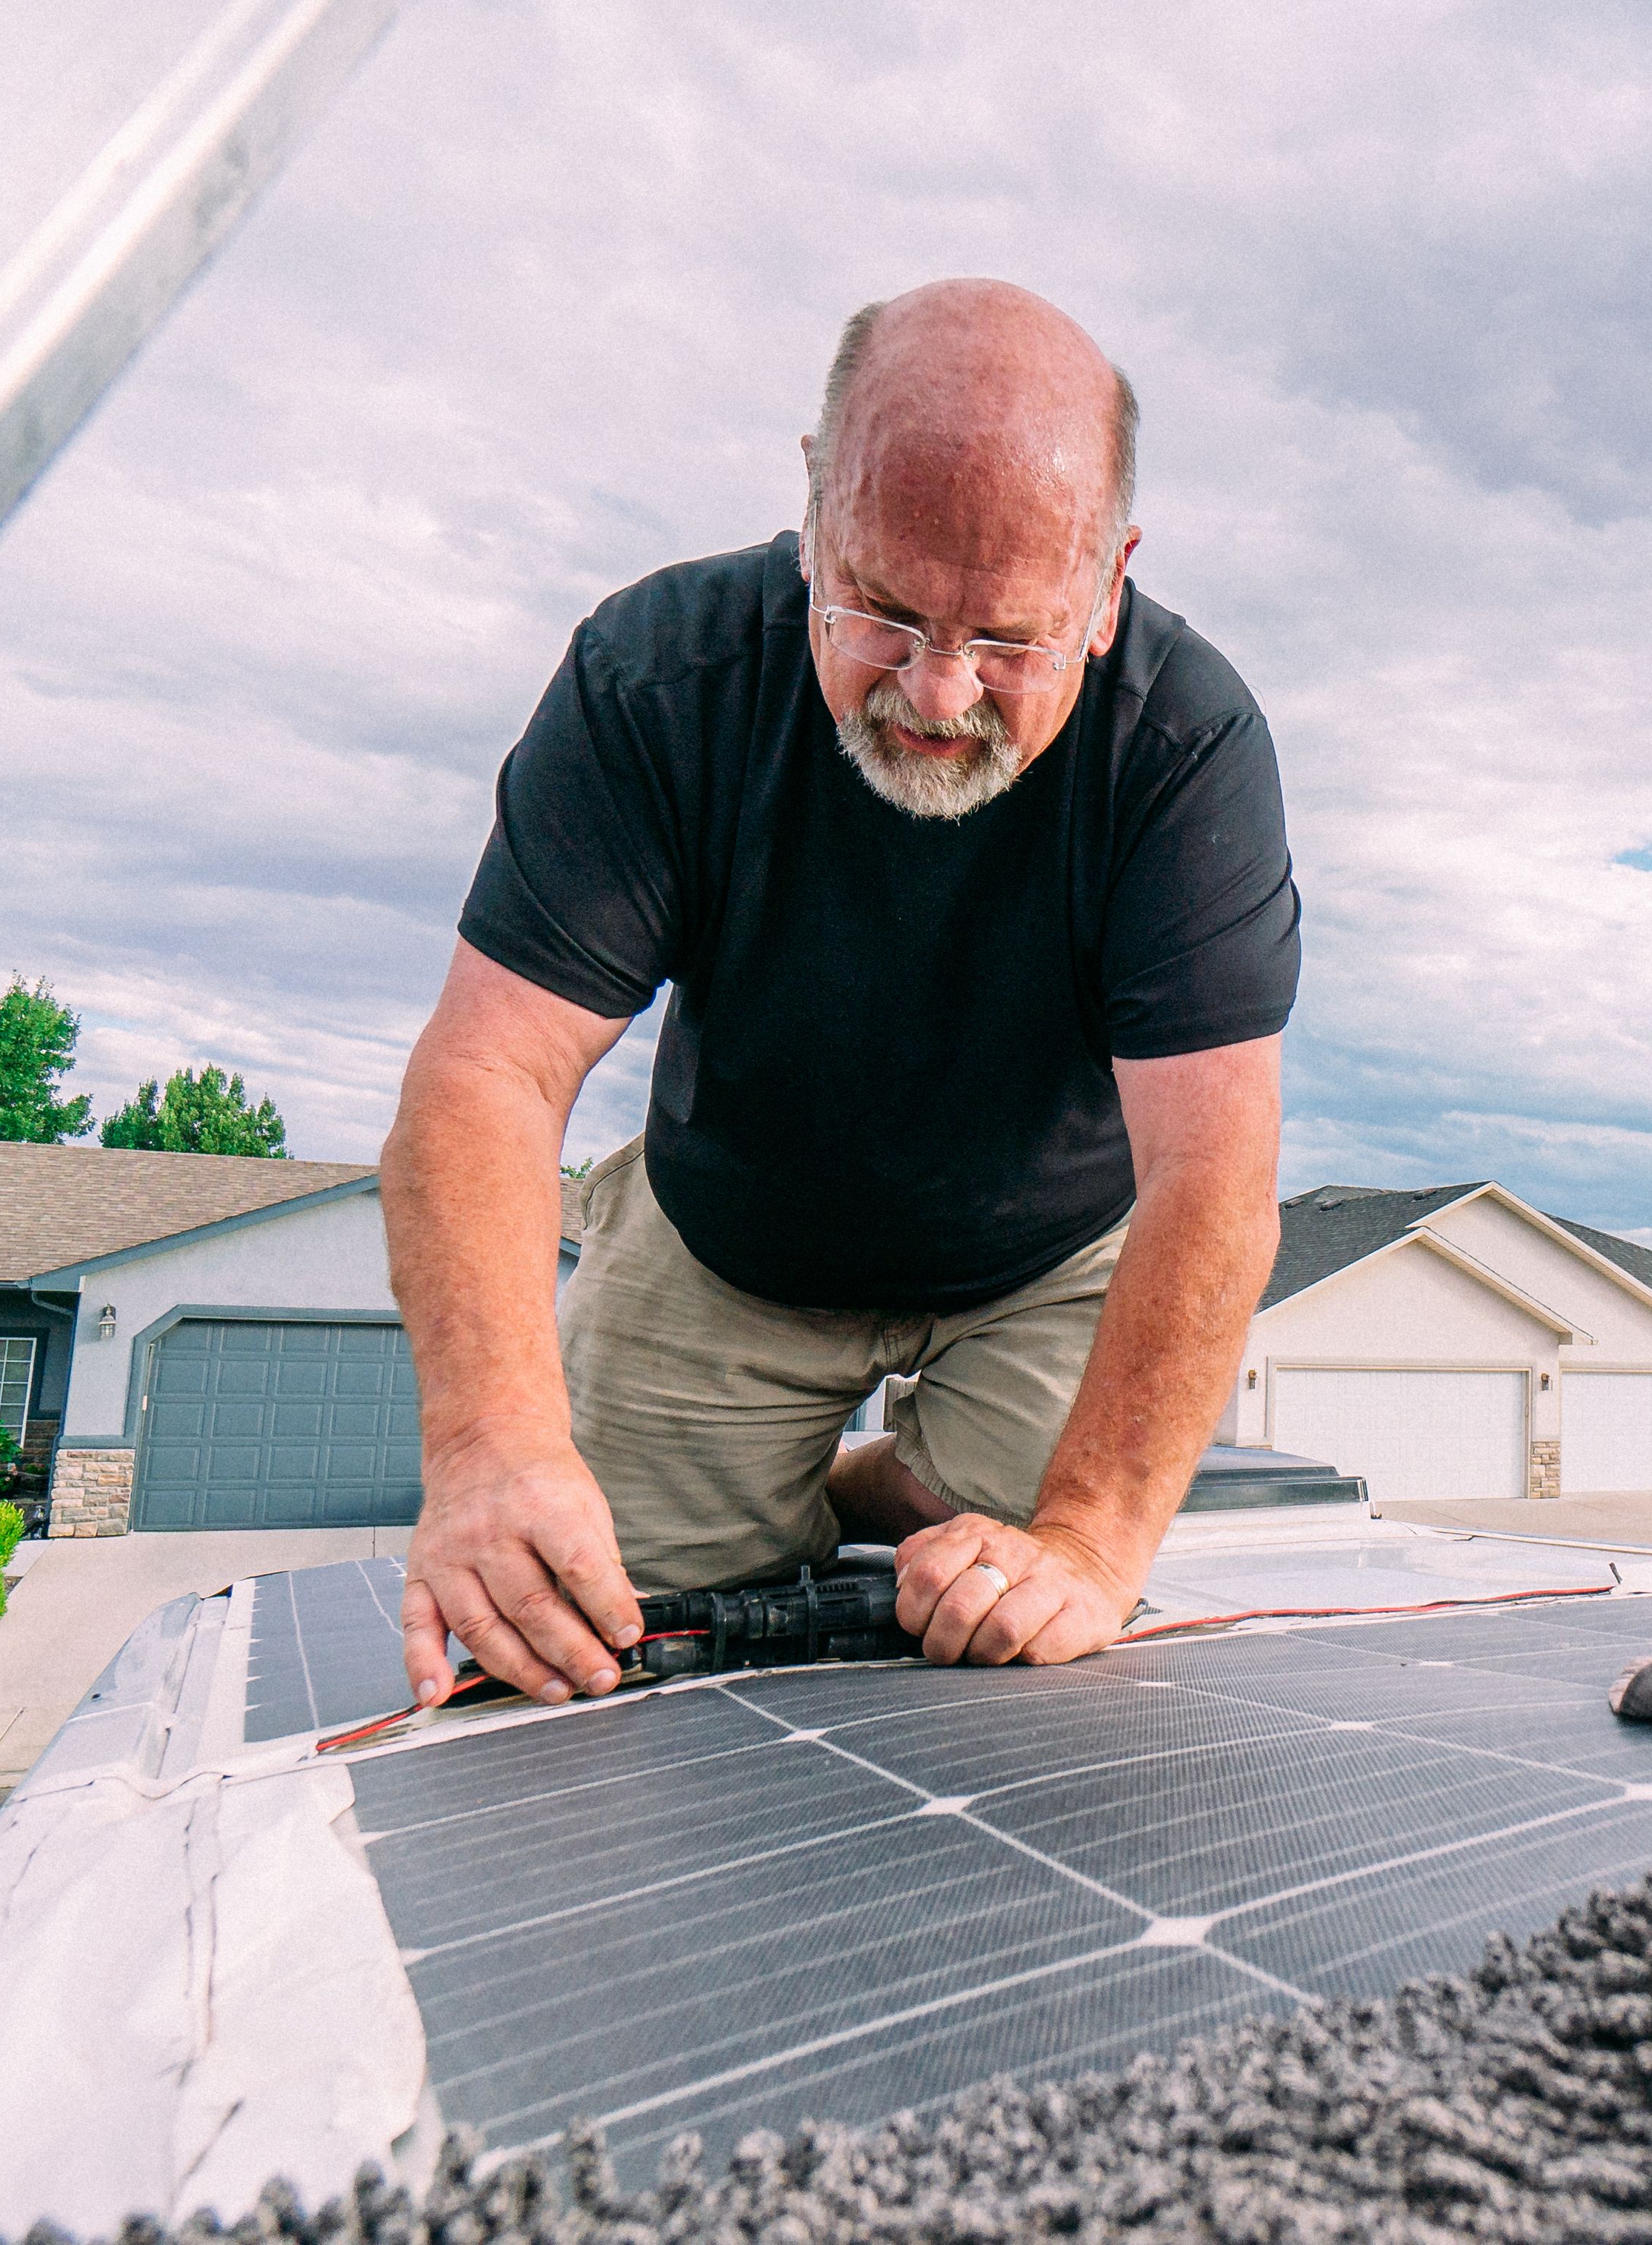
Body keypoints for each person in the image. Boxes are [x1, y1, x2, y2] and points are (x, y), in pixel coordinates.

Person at [381, 279, 1296, 1711]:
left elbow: (1217, 1173)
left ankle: (886, 1475)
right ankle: (772, 1463)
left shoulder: (1187, 743)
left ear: (1108, 586)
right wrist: (492, 1446)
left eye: (1009, 640)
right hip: (727, 1238)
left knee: (1017, 1584)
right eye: (880, 608)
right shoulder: (657, 676)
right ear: (814, 509)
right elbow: (490, 1075)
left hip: (1039, 1262)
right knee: (589, 1624)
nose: (937, 693)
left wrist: (1089, 1540)